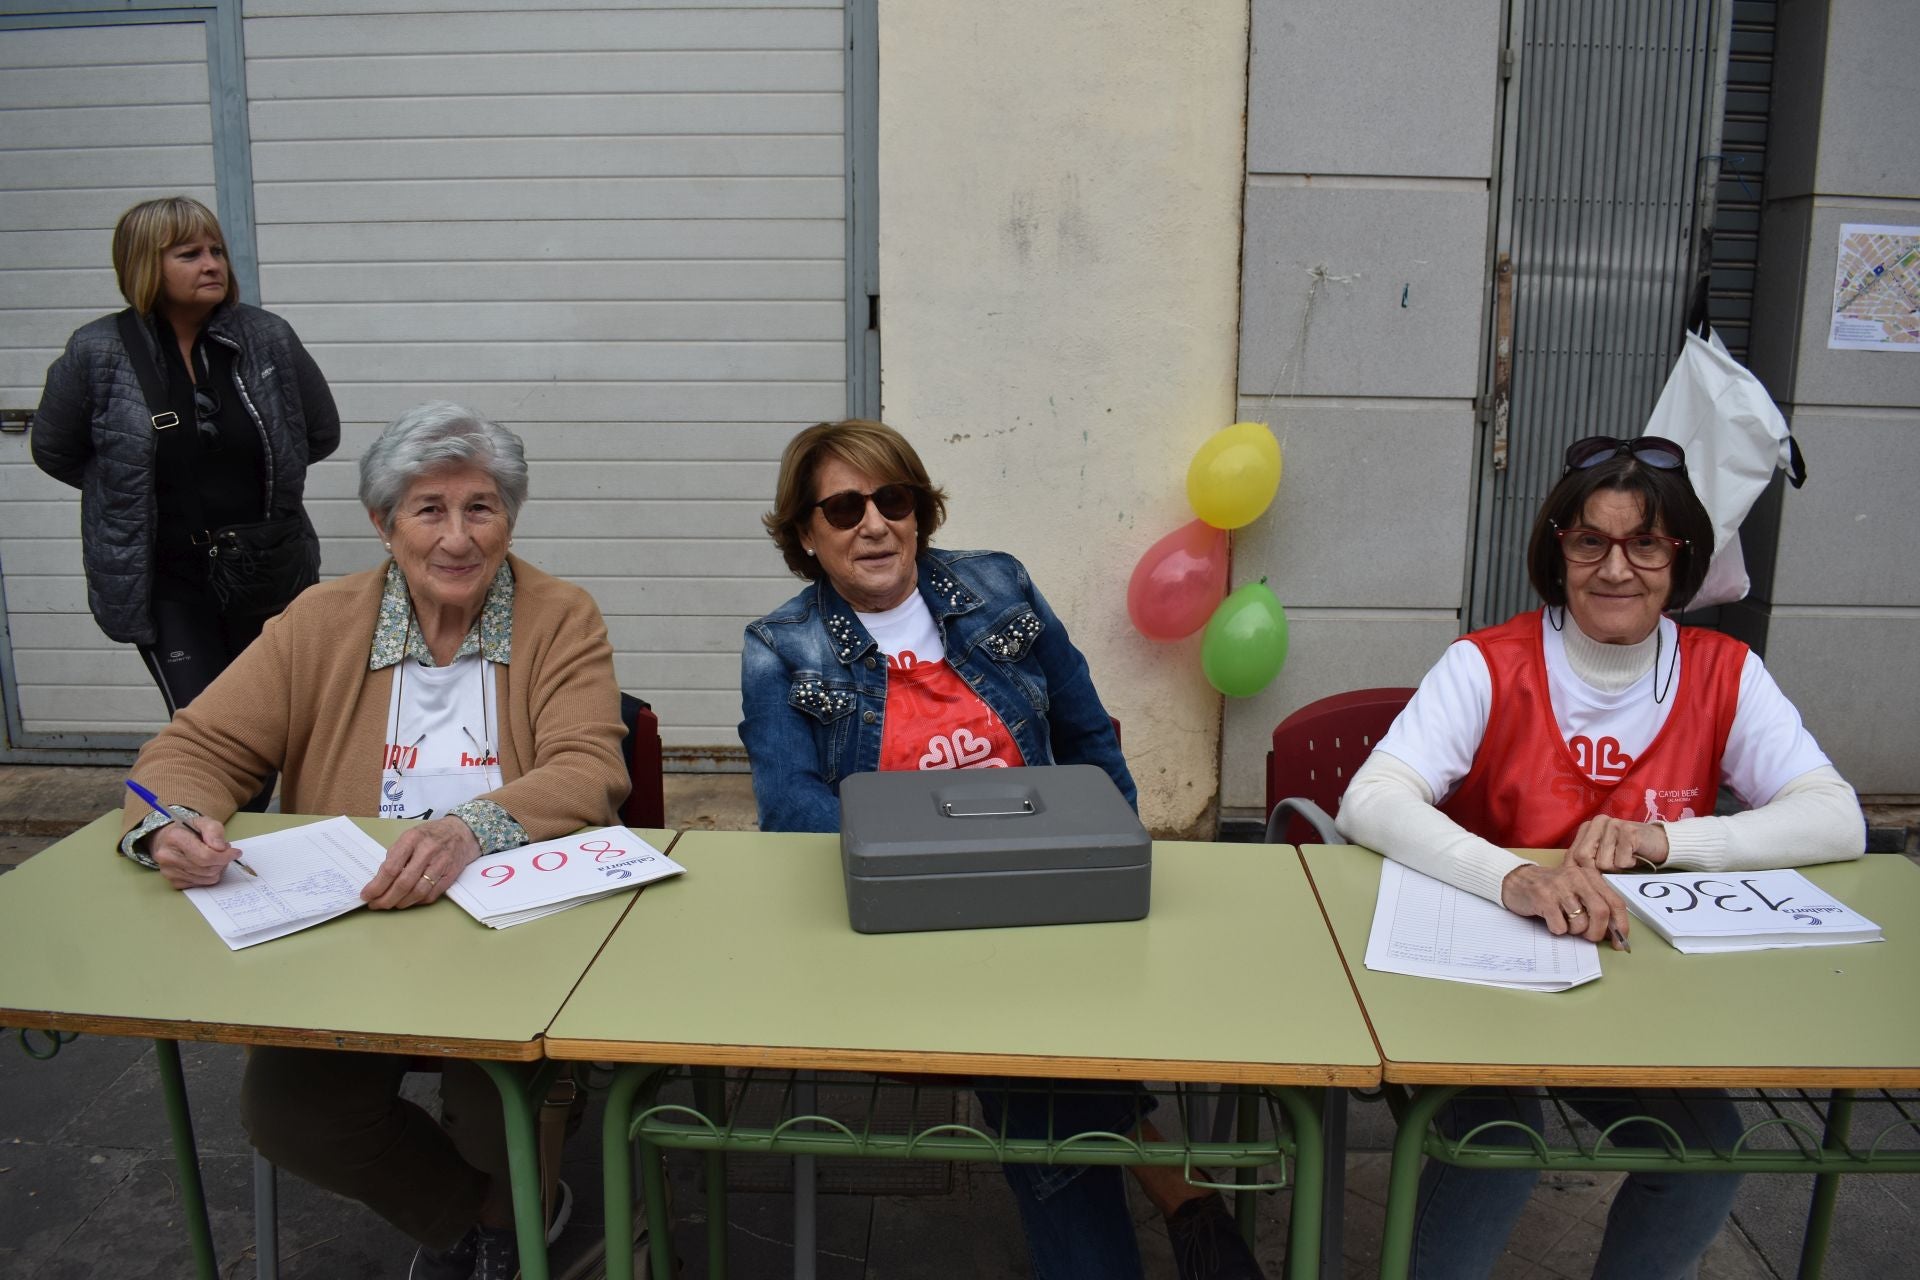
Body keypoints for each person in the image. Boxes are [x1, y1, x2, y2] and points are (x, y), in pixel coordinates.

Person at [740, 419, 1264, 1280]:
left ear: (918, 510)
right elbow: (792, 809)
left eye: (892, 499)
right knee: (1040, 1062)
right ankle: (1184, 1198)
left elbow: (1085, 729)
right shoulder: (781, 646)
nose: (873, 524)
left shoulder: (999, 586)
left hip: (1046, 886)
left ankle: (1170, 1208)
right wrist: (929, 865)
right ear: (806, 533)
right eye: (842, 508)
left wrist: (1116, 851)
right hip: (914, 920)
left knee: (1054, 1031)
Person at [117, 402, 628, 1280]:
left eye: (482, 506)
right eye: (429, 509)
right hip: (355, 926)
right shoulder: (320, 621)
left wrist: (471, 827)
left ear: (510, 516)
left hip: (517, 927)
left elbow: (589, 767)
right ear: (383, 523)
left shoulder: (560, 616)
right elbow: (194, 748)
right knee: (290, 1116)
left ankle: (512, 1227)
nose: (458, 538)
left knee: (496, 1097)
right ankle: (471, 1217)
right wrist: (171, 823)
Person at [1337, 433, 1865, 1279]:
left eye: (1645, 543)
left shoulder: (1725, 672)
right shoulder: (1485, 664)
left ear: (1680, 557)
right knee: (1499, 1139)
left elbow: (1837, 820)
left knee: (1706, 1149)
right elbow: (1371, 798)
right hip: (1485, 977)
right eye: (1591, 541)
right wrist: (1510, 876)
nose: (1617, 569)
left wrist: (1668, 840)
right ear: (1558, 551)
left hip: (1643, 989)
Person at [32, 195, 339, 740]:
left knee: (271, 728)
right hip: (168, 583)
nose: (212, 264)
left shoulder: (266, 337)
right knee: (210, 731)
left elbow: (317, 433)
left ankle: (237, 825)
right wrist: (132, 492)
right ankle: (203, 822)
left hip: (264, 572)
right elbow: (55, 449)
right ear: (147, 264)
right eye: (189, 253)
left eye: (216, 250)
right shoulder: (97, 352)